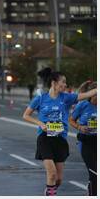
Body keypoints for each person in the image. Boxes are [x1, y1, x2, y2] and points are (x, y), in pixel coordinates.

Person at [22, 67, 96, 196]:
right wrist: (40, 123)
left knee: (58, 179)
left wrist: (96, 88)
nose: (65, 85)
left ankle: (50, 190)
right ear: (54, 83)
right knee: (51, 174)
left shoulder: (66, 98)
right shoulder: (40, 99)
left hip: (60, 139)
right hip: (45, 138)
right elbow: (26, 115)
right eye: (63, 82)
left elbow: (87, 94)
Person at [69, 81, 97, 196]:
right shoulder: (83, 105)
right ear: (92, 94)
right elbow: (71, 120)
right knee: (94, 173)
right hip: (86, 141)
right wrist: (80, 127)